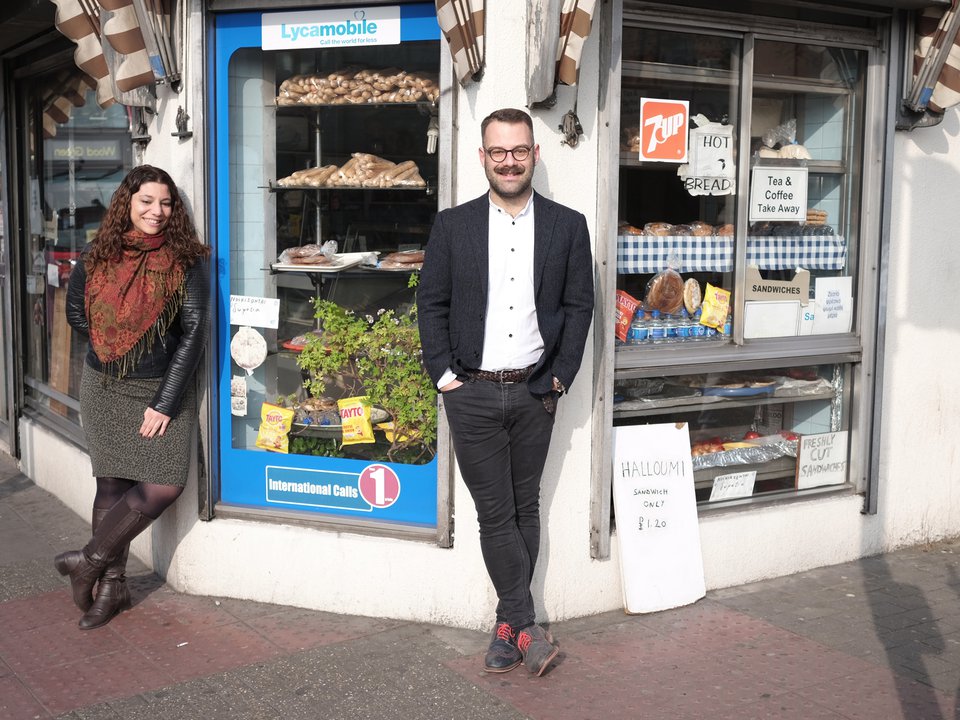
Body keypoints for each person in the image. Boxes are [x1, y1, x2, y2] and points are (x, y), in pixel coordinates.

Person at [418, 108, 594, 676]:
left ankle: (506, 628)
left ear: (535, 154)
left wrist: (560, 377)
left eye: (519, 151)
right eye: (499, 152)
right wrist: (445, 376)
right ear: (483, 159)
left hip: (534, 391)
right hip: (471, 392)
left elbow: (579, 306)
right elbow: (432, 302)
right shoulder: (453, 225)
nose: (510, 161)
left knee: (526, 508)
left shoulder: (568, 226)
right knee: (495, 515)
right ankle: (525, 625)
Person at [55, 165, 210, 630]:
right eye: (147, 201)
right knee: (112, 484)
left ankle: (86, 561)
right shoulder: (98, 253)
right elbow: (75, 312)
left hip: (161, 387)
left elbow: (193, 334)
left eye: (165, 203)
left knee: (163, 484)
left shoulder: (186, 261)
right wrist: (115, 343)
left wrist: (164, 402)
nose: (156, 212)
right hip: (104, 385)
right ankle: (112, 585)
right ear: (128, 201)